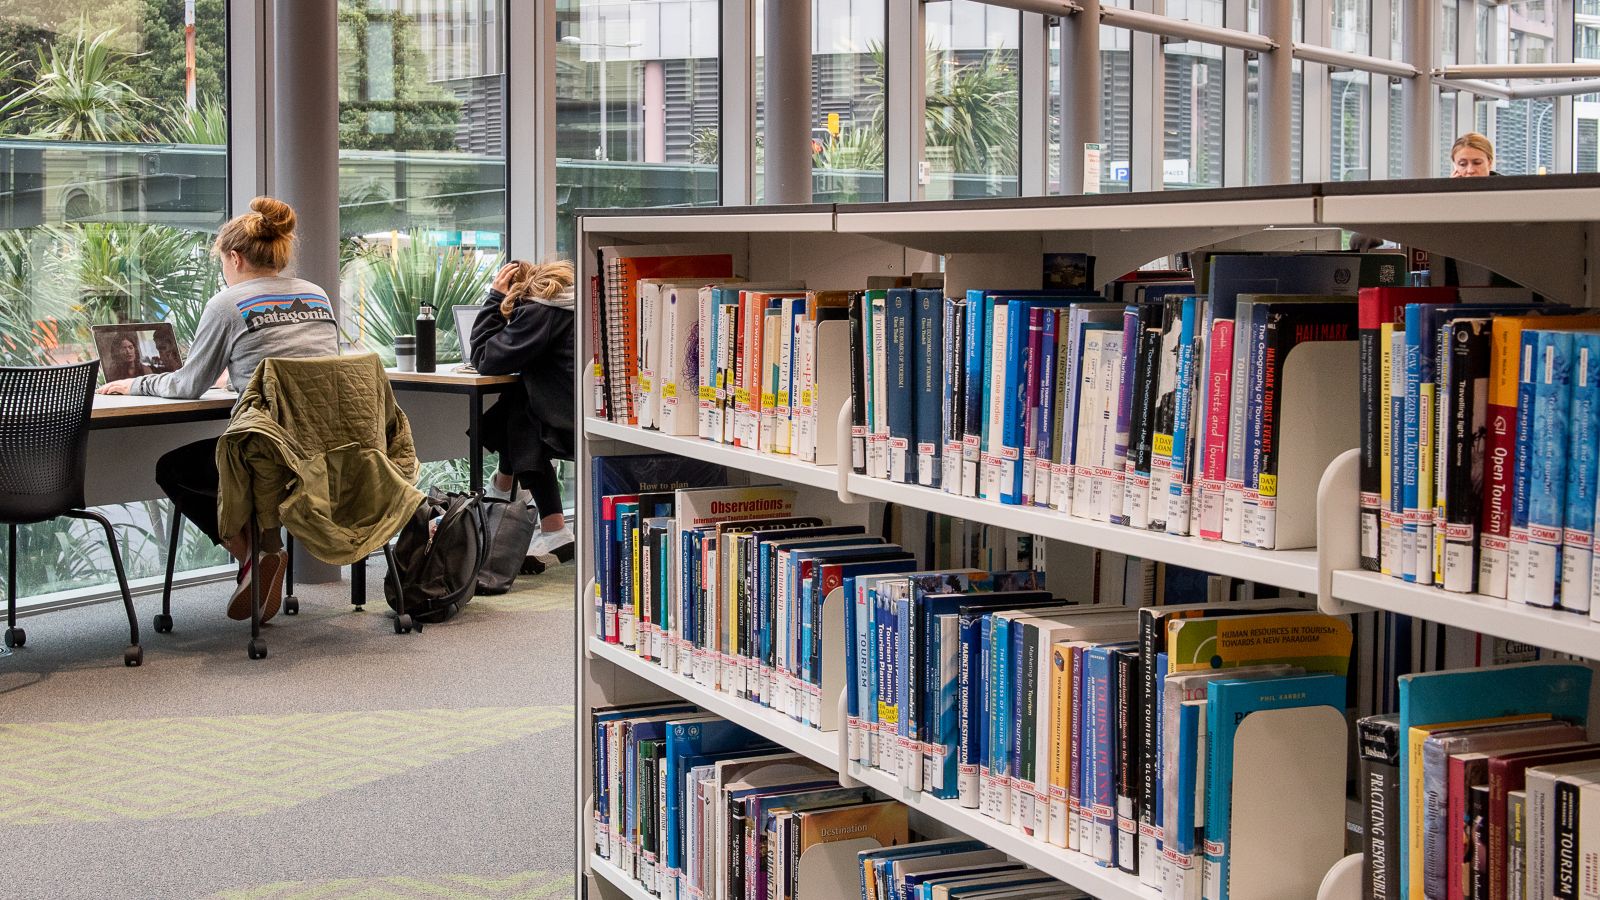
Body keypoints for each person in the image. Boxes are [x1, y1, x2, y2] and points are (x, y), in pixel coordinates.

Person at [97, 197, 339, 622]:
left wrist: (133, 383)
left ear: (234, 257)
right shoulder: (316, 296)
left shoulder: (228, 302)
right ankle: (264, 550)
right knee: (233, 460)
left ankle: (251, 556)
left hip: (266, 453)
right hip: (325, 452)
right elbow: (299, 369)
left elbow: (189, 384)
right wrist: (242, 373)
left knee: (174, 468)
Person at [470, 259, 576, 568]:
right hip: (592, 419)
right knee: (519, 398)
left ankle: (502, 495)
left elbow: (485, 358)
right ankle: (549, 525)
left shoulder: (541, 311)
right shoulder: (575, 306)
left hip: (565, 427)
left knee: (518, 407)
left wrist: (493, 299)